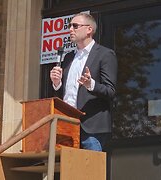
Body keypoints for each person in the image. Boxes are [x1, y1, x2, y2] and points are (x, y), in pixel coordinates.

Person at [49, 12, 118, 152]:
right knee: (69, 170)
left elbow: (110, 91)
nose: (70, 29)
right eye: (69, 26)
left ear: (89, 30)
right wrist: (57, 83)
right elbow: (67, 93)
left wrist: (91, 84)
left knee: (90, 171)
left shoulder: (105, 54)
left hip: (91, 127)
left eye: (75, 26)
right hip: (67, 124)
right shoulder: (68, 58)